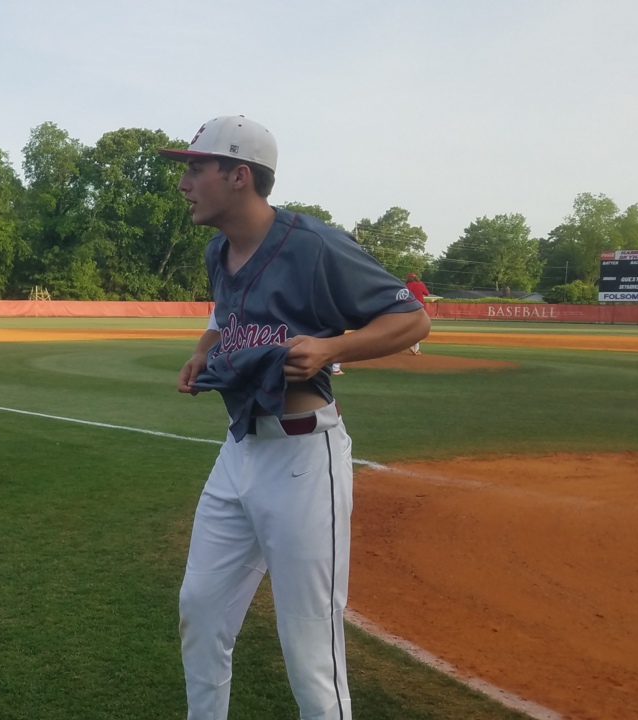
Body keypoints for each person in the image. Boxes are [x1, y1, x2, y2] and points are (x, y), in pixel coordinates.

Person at [162, 115, 430, 720]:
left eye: (195, 167)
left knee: (309, 649)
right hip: (238, 452)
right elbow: (225, 310)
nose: (185, 182)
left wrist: (334, 348)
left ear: (239, 176)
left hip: (305, 461)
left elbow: (412, 319)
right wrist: (204, 349)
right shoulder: (217, 249)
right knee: (200, 611)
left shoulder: (311, 242)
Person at [404, 273, 430, 355]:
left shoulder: (407, 286)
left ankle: (413, 346)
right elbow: (426, 293)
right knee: (419, 327)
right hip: (419, 308)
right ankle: (415, 348)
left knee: (409, 327)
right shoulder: (420, 284)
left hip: (408, 307)